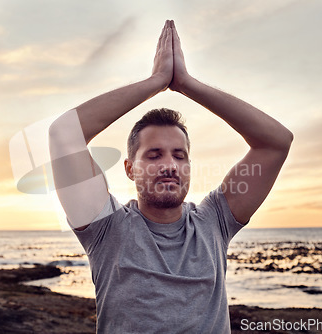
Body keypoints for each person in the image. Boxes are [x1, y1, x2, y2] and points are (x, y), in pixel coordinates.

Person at [49, 20, 293, 333]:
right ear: (129, 168)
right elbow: (64, 134)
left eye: (179, 156)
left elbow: (276, 143)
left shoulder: (214, 222)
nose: (170, 165)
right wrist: (157, 81)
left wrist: (187, 84)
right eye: (154, 155)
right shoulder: (107, 228)